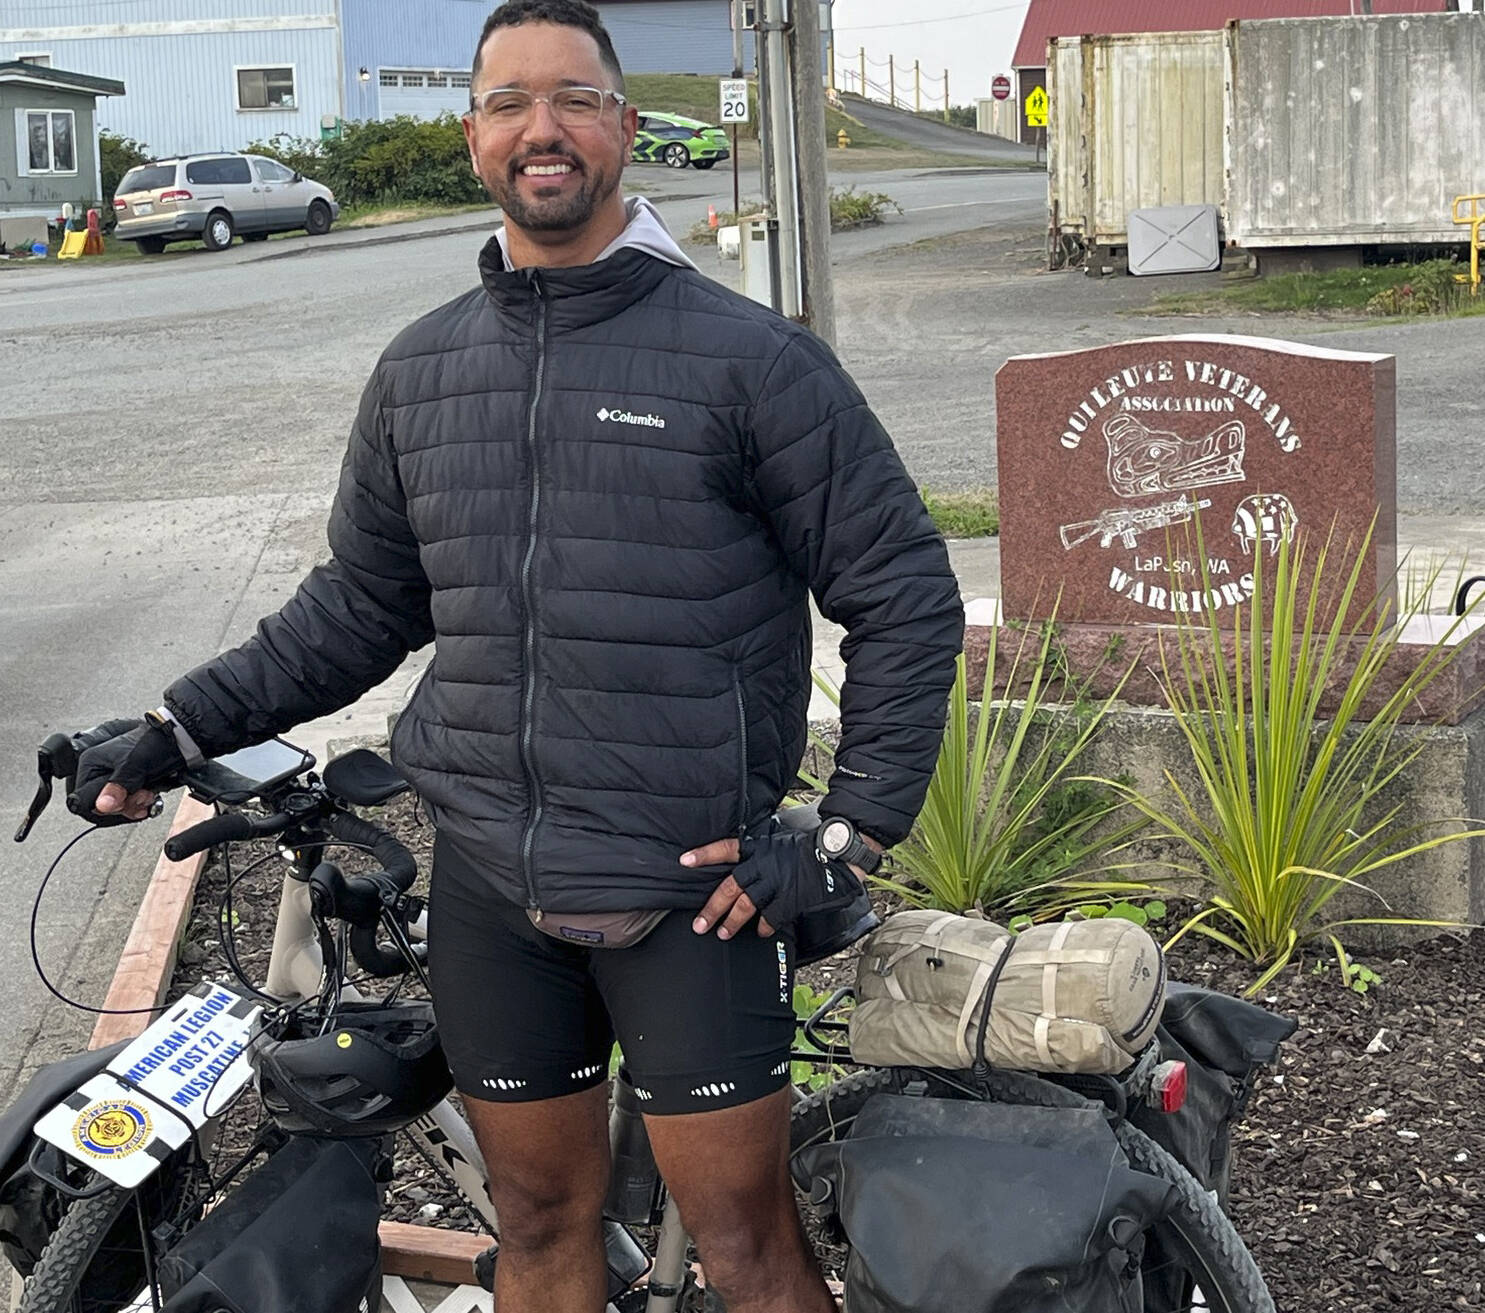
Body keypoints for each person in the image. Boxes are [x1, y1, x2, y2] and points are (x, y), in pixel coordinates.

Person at [70, 1, 963, 1308]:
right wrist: (175, 727)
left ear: (623, 127)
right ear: (474, 136)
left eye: (574, 100)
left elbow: (904, 594)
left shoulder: (752, 362)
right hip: (493, 883)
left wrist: (850, 829)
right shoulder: (423, 371)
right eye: (508, 103)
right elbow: (358, 608)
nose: (542, 128)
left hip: (690, 888)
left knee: (747, 1247)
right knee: (538, 1225)